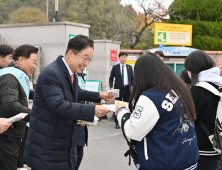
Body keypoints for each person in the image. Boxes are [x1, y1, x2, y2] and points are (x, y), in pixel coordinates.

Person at [24, 35, 114, 170]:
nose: (87, 63)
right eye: (85, 58)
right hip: (47, 146)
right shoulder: (52, 73)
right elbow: (59, 105)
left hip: (61, 142)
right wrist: (92, 110)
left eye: (90, 59)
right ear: (71, 54)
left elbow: (75, 92)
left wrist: (99, 95)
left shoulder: (69, 72)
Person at [115, 53, 199, 170]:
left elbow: (132, 130)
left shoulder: (151, 96)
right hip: (188, 160)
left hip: (163, 163)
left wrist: (121, 111)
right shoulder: (180, 89)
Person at [0, 44, 38, 170]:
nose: (35, 66)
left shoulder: (16, 75)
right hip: (7, 134)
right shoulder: (10, 76)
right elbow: (11, 105)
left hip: (12, 132)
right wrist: (36, 117)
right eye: (33, 61)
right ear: (21, 60)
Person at [185, 50, 222, 170]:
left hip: (203, 149)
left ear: (193, 70)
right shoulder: (219, 85)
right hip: (218, 144)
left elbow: (188, 119)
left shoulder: (197, 91)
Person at [109, 52, 133, 129]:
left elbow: (132, 78)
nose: (123, 58)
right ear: (119, 58)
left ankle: (126, 121)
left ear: (126, 58)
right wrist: (111, 87)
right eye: (122, 57)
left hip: (127, 89)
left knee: (127, 105)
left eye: (125, 57)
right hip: (118, 89)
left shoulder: (129, 67)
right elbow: (111, 78)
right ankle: (117, 122)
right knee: (117, 105)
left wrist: (133, 86)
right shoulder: (115, 67)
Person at [71, 72, 87, 170]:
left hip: (81, 122)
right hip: (71, 123)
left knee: (79, 155)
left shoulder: (81, 76)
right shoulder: (69, 75)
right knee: (72, 158)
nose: (86, 63)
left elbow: (82, 94)